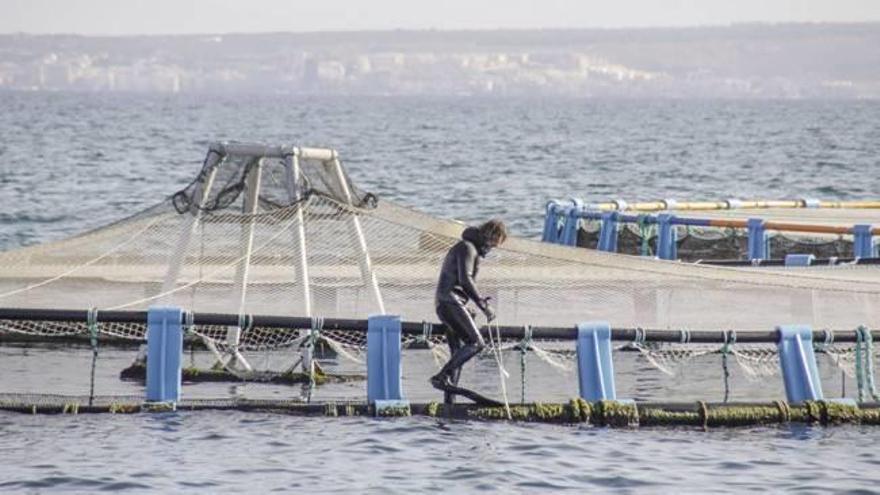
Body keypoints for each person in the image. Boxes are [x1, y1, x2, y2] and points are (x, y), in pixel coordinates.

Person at [430, 219, 508, 403]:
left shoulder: (468, 248)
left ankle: (449, 401)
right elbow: (466, 280)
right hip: (450, 303)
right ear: (488, 237)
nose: (490, 251)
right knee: (476, 343)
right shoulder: (467, 248)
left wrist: (469, 307)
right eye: (492, 245)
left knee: (457, 351)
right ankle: (441, 376)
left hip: (447, 303)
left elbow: (461, 283)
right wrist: (483, 305)